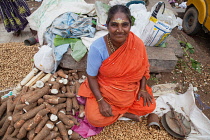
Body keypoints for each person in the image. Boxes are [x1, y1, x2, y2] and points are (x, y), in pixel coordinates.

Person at [78, 5, 156, 127]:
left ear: (130, 25)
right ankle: (124, 113)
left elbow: (143, 68)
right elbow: (91, 76)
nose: (120, 30)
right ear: (107, 25)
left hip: (130, 89)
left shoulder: (137, 44)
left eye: (124, 25)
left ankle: (120, 112)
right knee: (94, 118)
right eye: (114, 25)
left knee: (150, 106)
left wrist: (142, 89)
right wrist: (101, 101)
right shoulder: (97, 48)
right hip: (105, 89)